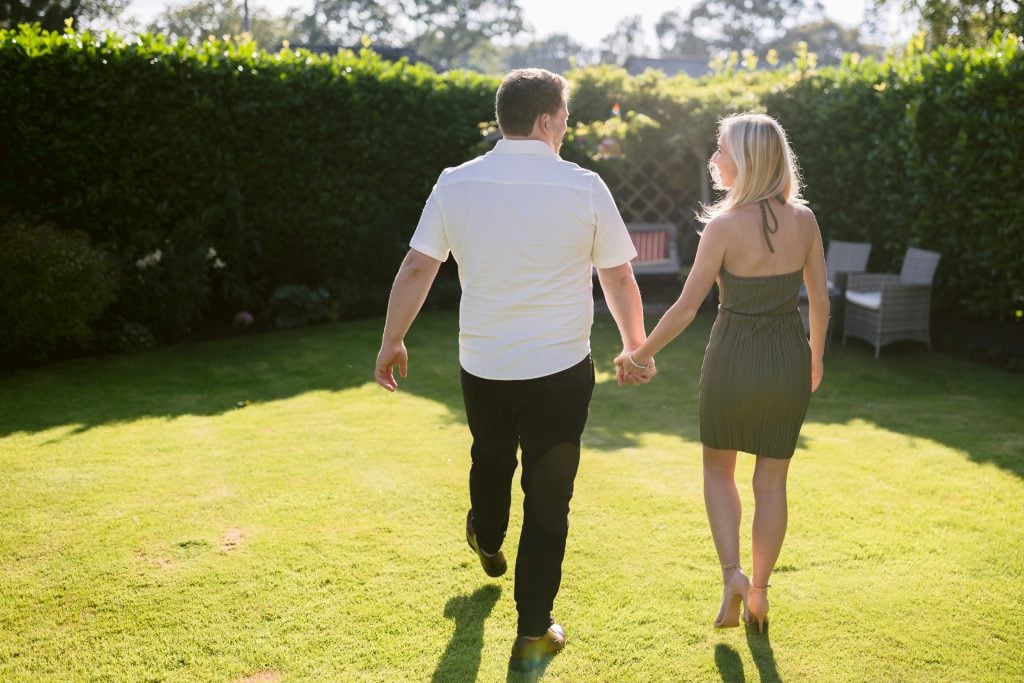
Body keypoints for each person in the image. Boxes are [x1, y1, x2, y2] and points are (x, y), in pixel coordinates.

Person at [374, 68, 651, 672]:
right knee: (549, 498)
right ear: (549, 120)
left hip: (485, 365)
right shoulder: (584, 186)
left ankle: (487, 536)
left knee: (492, 458)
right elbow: (619, 276)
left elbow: (419, 267)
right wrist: (635, 347)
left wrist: (393, 339)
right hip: (559, 370)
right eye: (567, 119)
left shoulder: (457, 183)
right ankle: (532, 626)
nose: (567, 129)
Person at [617, 112, 829, 634]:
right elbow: (819, 300)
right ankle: (759, 591)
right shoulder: (804, 222)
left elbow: (686, 308)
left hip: (732, 358)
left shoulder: (723, 227)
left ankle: (732, 574)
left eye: (722, 150)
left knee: (719, 472)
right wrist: (816, 357)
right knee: (772, 483)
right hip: (787, 359)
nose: (715, 159)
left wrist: (639, 354)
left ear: (747, 160)